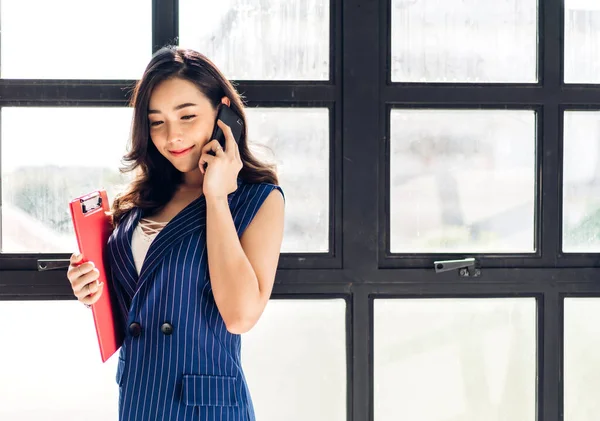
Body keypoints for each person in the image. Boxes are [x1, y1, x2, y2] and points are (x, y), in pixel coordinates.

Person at [65, 46, 285, 421]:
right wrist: (91, 289)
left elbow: (240, 316)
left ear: (223, 112)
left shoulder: (257, 199)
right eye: (156, 122)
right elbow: (143, 301)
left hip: (205, 407)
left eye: (187, 116)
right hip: (141, 396)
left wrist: (216, 196)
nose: (172, 136)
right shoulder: (144, 197)